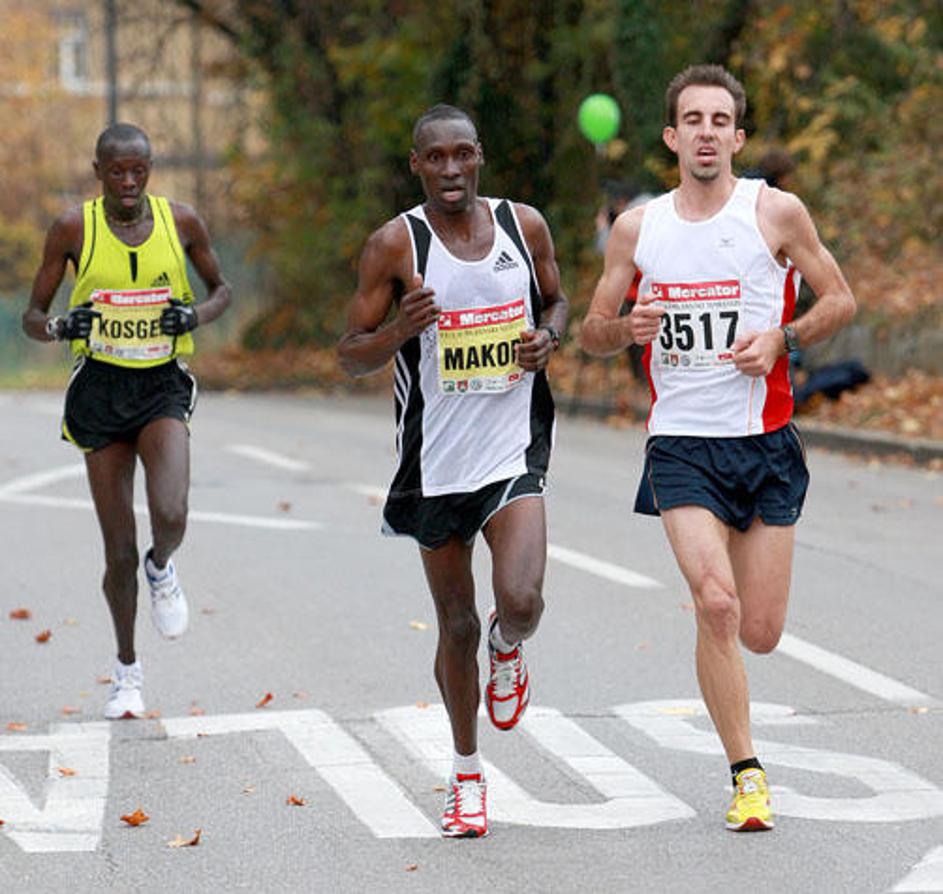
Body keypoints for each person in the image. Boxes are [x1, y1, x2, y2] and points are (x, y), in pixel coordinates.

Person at [579, 65, 856, 832]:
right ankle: (746, 774)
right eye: (692, 120)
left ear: (737, 137)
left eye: (719, 121)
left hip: (763, 441)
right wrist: (624, 328)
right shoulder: (638, 228)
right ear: (672, 137)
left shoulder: (774, 212)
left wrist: (781, 339)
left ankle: (737, 700)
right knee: (716, 602)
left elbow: (840, 300)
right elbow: (592, 332)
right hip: (680, 446)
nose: (706, 133)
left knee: (759, 632)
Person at [338, 104, 568, 838]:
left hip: (511, 448)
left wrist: (547, 338)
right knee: (456, 624)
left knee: (520, 601)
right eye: (434, 157)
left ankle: (510, 647)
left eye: (461, 154)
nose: (449, 169)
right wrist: (400, 329)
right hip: (434, 462)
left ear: (479, 157)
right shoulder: (394, 245)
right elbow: (349, 353)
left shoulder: (522, 227)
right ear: (416, 165)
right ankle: (466, 774)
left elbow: (556, 301)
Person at [22, 123, 231, 720]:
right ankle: (127, 672)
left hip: (160, 385)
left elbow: (222, 289)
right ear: (99, 173)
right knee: (117, 551)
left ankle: (161, 567)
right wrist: (61, 326)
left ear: (150, 169)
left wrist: (193, 316)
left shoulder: (181, 221)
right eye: (117, 172)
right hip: (100, 391)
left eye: (139, 170)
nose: (129, 182)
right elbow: (32, 316)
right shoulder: (72, 229)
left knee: (172, 513)